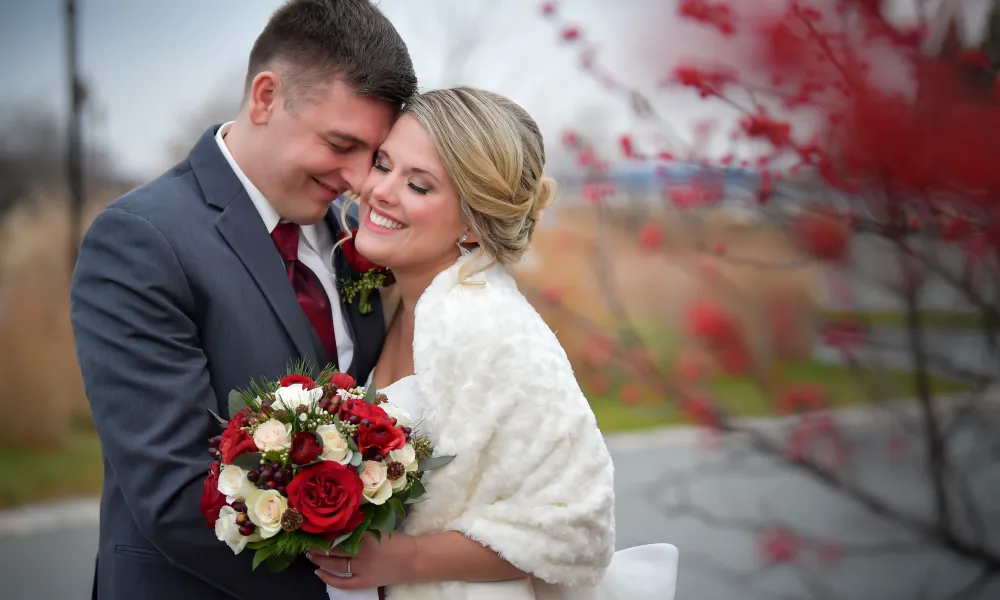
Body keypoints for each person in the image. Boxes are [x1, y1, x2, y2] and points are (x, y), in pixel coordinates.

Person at [69, 1, 416, 599]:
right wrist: (347, 586)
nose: (361, 180)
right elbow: (175, 492)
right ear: (264, 98)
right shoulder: (141, 239)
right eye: (341, 143)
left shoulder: (355, 241)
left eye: (375, 154)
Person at [309, 88, 677, 600]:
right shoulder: (389, 297)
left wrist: (404, 558)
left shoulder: (495, 330)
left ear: (474, 224)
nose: (381, 191)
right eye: (383, 164)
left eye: (418, 184)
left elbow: (576, 530)